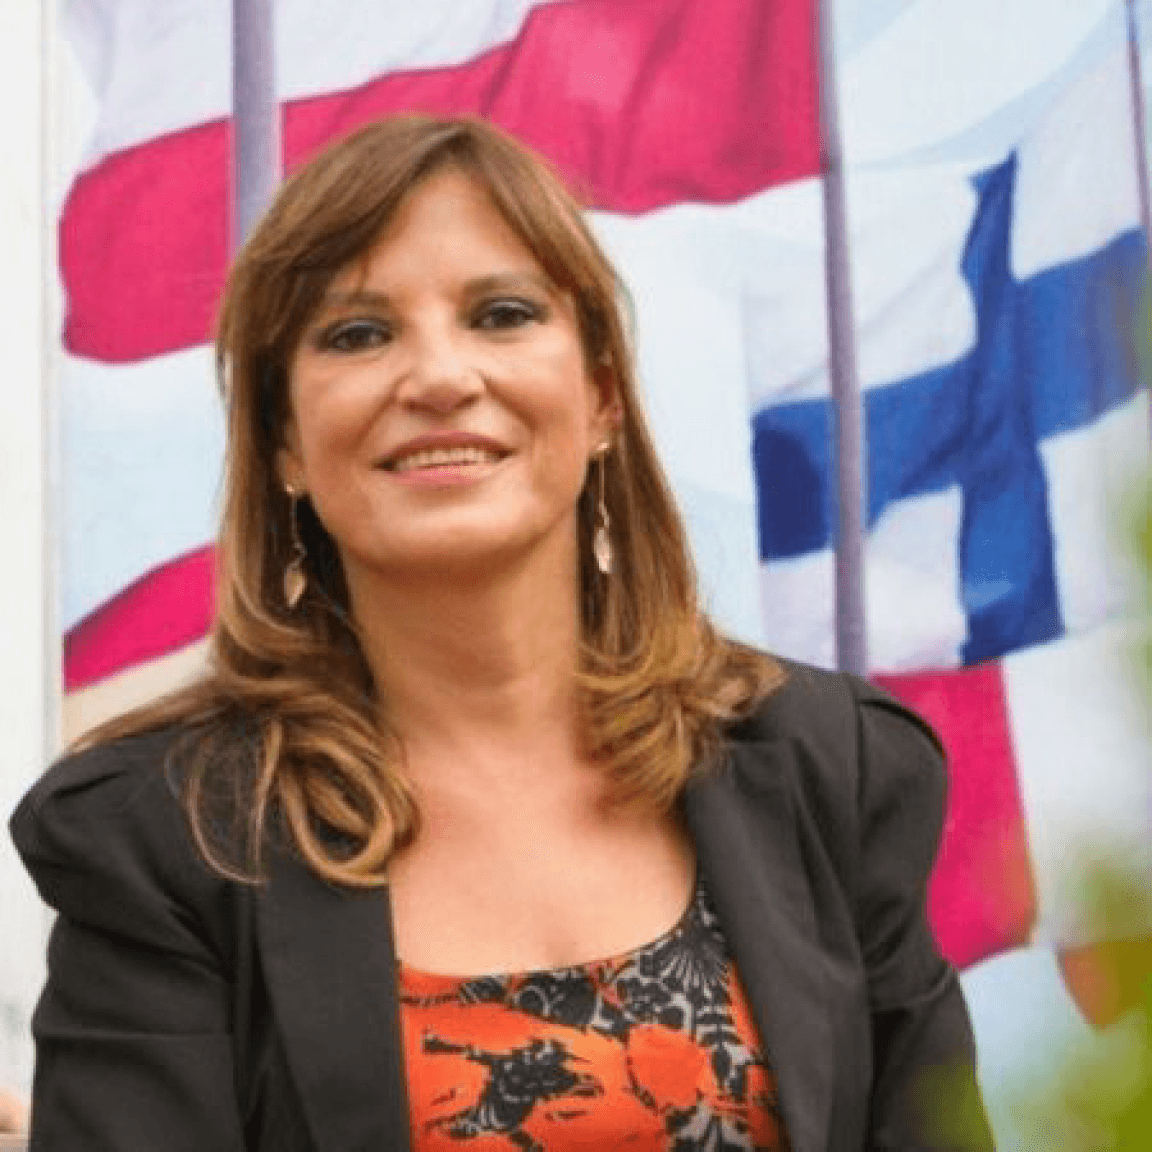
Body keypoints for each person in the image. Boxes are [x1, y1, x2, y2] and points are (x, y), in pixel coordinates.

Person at [11, 115, 993, 1151]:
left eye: (503, 315)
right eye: (358, 334)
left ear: (602, 396)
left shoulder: (829, 764)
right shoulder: (162, 838)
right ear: (285, 437)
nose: (440, 377)